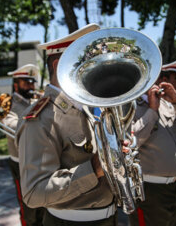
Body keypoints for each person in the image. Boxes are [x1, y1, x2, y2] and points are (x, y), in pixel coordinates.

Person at [16, 24, 118, 226]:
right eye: (86, 61)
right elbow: (34, 192)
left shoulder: (86, 106)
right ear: (58, 65)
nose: (95, 67)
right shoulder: (42, 118)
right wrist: (94, 169)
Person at [128, 61, 176, 226]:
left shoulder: (164, 100)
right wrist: (152, 110)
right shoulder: (129, 105)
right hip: (149, 189)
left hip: (172, 186)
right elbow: (131, 142)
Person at [3, 64, 45, 225]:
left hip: (42, 158)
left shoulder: (36, 100)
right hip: (21, 162)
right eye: (26, 82)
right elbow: (11, 127)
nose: (31, 86)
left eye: (32, 82)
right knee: (28, 207)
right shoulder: (8, 103)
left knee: (44, 202)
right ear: (16, 84)